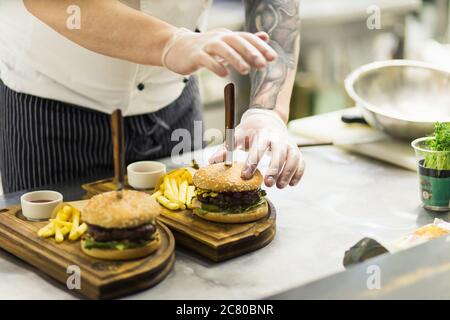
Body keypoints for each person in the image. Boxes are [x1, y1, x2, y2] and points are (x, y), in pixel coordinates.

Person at [0, 0, 305, 193]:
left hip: (175, 104)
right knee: (60, 272)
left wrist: (268, 110)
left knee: (193, 260)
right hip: (51, 113)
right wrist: (170, 43)